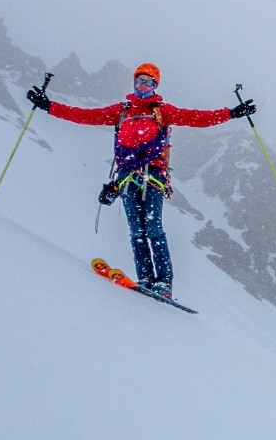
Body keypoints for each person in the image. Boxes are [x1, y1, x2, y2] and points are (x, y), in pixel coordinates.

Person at [27, 62, 255, 298]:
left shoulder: (161, 111)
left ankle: (164, 282)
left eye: (149, 82)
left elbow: (196, 118)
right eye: (140, 80)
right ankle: (145, 277)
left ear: (155, 86)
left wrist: (231, 113)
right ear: (134, 82)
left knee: (153, 227)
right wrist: (48, 106)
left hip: (153, 175)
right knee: (137, 229)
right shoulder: (122, 110)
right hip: (126, 177)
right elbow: (85, 116)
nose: (143, 85)